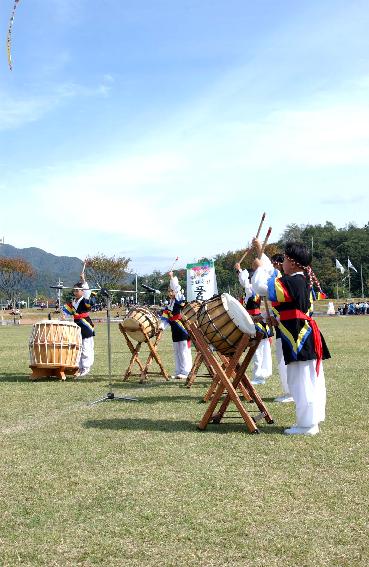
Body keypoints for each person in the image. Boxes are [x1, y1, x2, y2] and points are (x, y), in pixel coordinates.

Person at [252, 241, 330, 436]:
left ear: (293, 263)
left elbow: (261, 286)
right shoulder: (300, 279)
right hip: (302, 333)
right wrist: (274, 318)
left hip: (299, 336)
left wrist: (262, 267)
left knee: (301, 380)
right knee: (309, 379)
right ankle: (312, 420)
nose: (283, 263)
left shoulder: (292, 280)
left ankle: (307, 425)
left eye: (285, 259)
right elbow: (291, 310)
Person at [235, 261, 272, 385]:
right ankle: (259, 375)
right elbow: (244, 283)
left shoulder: (252, 289)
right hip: (252, 320)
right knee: (257, 350)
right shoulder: (249, 291)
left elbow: (245, 282)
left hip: (256, 320)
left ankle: (259, 376)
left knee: (258, 351)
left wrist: (239, 270)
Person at [160, 271, 192, 379]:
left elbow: (176, 287)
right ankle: (178, 371)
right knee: (177, 351)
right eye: (169, 291)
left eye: (171, 290)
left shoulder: (179, 298)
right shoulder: (169, 304)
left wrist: (172, 277)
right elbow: (165, 319)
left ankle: (186, 371)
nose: (170, 293)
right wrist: (161, 327)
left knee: (184, 351)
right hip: (174, 329)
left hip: (182, 328)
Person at [62, 273, 95, 377]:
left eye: (77, 290)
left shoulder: (84, 300)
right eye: (74, 290)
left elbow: (87, 293)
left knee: (86, 347)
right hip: (76, 326)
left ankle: (86, 367)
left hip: (85, 325)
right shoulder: (73, 301)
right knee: (78, 347)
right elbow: (68, 311)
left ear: (82, 291)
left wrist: (83, 280)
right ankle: (79, 367)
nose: (75, 292)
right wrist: (64, 316)